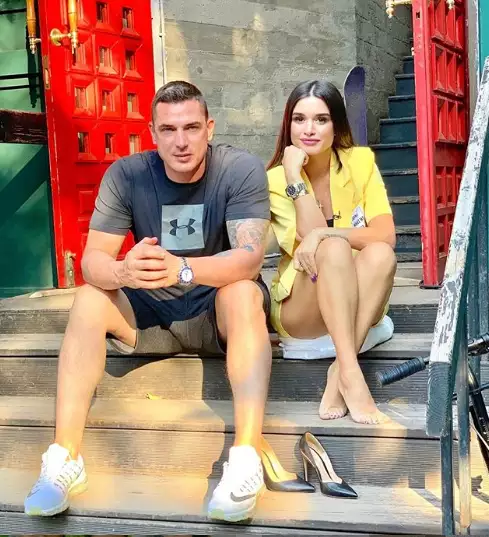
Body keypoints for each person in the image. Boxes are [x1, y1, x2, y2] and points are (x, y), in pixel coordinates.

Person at [24, 81, 272, 523]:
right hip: (151, 311)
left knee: (243, 291)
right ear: (152, 133)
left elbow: (249, 259)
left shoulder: (240, 169)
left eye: (191, 127)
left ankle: (246, 459)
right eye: (169, 129)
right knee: (89, 298)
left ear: (210, 127)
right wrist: (122, 272)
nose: (181, 141)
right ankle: (65, 458)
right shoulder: (128, 174)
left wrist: (182, 269)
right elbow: (93, 261)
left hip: (217, 311)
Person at [267, 80, 396, 424]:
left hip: (358, 294)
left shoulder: (360, 162)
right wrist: (294, 176)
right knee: (333, 248)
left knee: (381, 254)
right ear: (288, 125)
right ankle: (353, 376)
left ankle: (341, 370)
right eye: (299, 119)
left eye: (321, 119)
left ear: (336, 125)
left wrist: (327, 231)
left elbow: (385, 234)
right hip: (303, 305)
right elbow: (313, 242)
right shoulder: (275, 180)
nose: (309, 129)